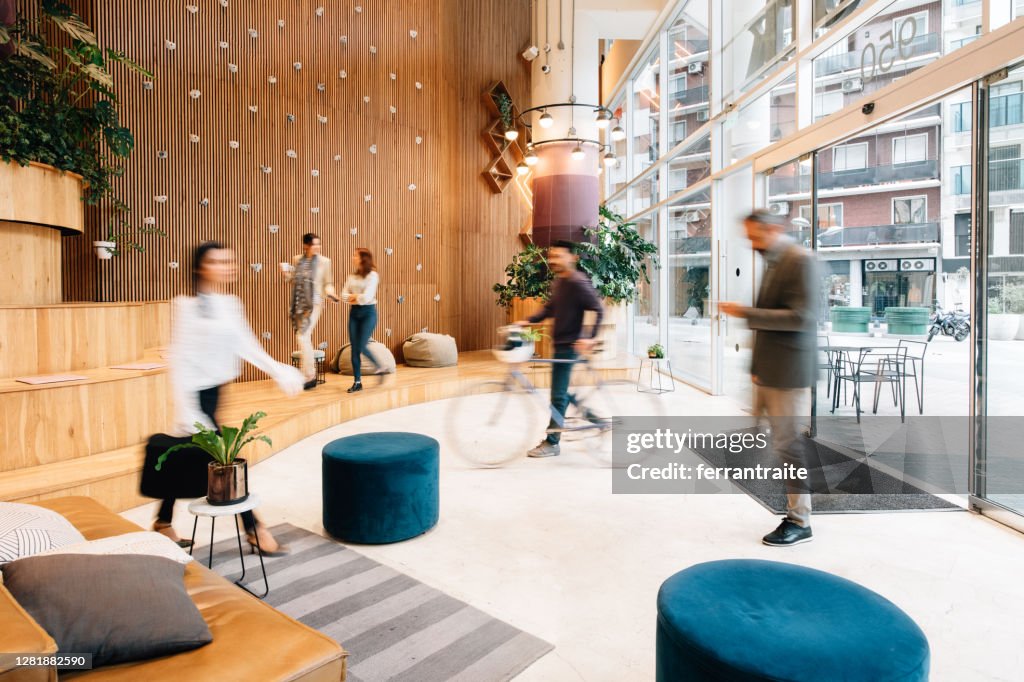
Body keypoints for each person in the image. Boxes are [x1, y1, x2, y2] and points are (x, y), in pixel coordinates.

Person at [156, 241, 304, 554]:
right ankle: (254, 528)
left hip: (215, 392)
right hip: (194, 397)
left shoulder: (230, 303)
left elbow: (246, 345)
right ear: (200, 268)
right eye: (218, 261)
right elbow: (179, 358)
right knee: (227, 462)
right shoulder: (186, 306)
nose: (228, 265)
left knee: (183, 459)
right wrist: (188, 410)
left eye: (230, 260)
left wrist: (279, 370)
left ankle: (162, 523)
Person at [719, 210, 819, 547]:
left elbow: (801, 317)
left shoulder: (799, 260)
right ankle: (793, 506)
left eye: (756, 237)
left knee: (789, 447)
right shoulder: (775, 261)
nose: (752, 244)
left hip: (789, 374)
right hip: (771, 371)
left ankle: (800, 520)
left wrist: (745, 313)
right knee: (778, 443)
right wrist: (757, 367)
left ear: (774, 229)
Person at [515, 240, 604, 458]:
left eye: (558, 255)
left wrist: (590, 338)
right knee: (562, 393)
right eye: (552, 255)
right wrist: (526, 321)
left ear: (572, 258)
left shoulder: (577, 281)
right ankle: (596, 420)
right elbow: (548, 309)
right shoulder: (560, 283)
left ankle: (552, 442)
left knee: (557, 396)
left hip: (569, 346)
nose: (553, 260)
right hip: (560, 345)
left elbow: (598, 309)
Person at [281, 233, 339, 390]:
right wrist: (286, 273)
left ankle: (309, 375)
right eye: (314, 245)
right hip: (299, 304)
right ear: (306, 246)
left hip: (315, 303)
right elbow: (293, 280)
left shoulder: (325, 262)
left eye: (319, 244)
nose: (317, 247)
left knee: (303, 336)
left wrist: (331, 293)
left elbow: (328, 283)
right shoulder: (297, 260)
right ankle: (306, 373)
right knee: (302, 338)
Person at [341, 248, 382, 393]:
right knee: (354, 349)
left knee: (361, 346)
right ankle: (357, 382)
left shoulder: (373, 275)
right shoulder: (351, 276)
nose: (352, 257)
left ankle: (379, 366)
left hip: (368, 314)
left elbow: (367, 298)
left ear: (363, 258)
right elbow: (343, 295)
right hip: (354, 314)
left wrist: (354, 297)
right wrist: (356, 297)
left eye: (355, 255)